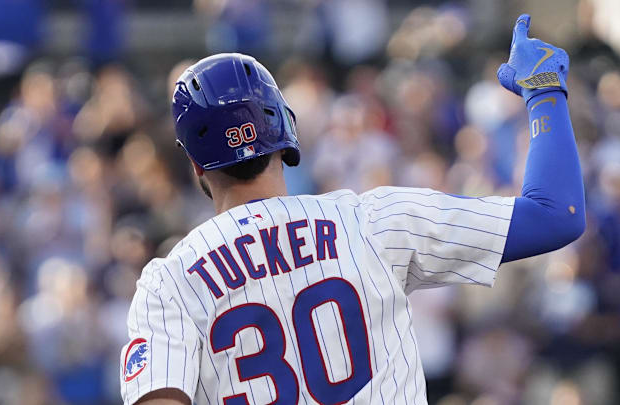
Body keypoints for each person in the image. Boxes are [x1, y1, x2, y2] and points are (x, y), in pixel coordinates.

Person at [120, 14, 585, 405]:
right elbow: (555, 213)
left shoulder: (170, 282)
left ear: (195, 162)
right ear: (284, 127)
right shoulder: (372, 220)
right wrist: (543, 90)